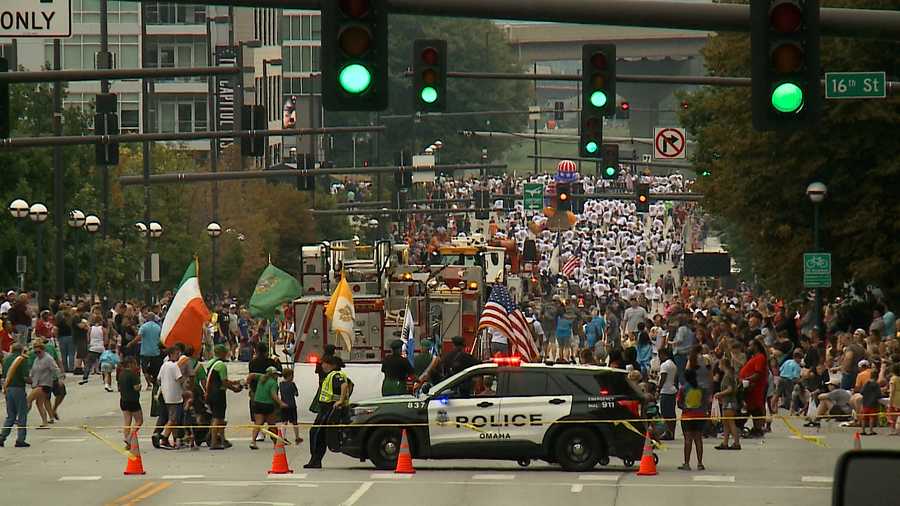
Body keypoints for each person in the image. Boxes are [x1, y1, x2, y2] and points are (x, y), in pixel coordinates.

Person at [304, 354, 351, 469]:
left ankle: (315, 460)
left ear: (332, 365)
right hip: (325, 409)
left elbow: (344, 386)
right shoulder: (331, 375)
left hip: (329, 409)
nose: (323, 366)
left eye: (325, 363)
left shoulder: (335, 375)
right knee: (317, 434)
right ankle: (315, 459)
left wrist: (340, 400)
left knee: (317, 434)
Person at [205, 344, 242, 450]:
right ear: (221, 353)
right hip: (218, 394)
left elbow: (215, 379)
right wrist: (235, 389)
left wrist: (233, 382)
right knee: (218, 417)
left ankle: (221, 439)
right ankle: (214, 442)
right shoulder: (221, 365)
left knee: (219, 418)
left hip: (211, 392)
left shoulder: (210, 363)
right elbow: (224, 382)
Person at [248, 366, 287, 449]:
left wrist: (247, 384)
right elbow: (273, 395)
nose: (277, 376)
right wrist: (281, 403)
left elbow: (251, 375)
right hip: (268, 405)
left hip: (257, 403)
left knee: (258, 423)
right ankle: (276, 443)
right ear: (273, 375)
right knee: (272, 424)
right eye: (276, 374)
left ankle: (253, 441)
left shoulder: (261, 378)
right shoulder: (273, 383)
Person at [154, 347, 185, 449]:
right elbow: (180, 379)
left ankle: (174, 440)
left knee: (172, 418)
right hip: (175, 396)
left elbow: (158, 379)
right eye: (176, 354)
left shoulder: (164, 365)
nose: (178, 356)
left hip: (166, 395)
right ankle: (163, 435)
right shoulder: (174, 366)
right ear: (171, 354)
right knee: (173, 418)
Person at [1, 344, 30, 447]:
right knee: (22, 414)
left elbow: (4, 375)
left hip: (8, 388)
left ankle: (2, 436)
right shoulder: (21, 360)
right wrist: (33, 382)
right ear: (21, 350)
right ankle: (20, 439)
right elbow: (25, 376)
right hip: (18, 388)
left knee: (11, 415)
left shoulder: (6, 359)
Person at [677, 368, 706, 471]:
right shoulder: (702, 388)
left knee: (688, 440)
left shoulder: (683, 388)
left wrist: (686, 407)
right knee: (698, 439)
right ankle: (700, 463)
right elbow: (705, 402)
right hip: (700, 416)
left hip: (687, 416)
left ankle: (686, 463)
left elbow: (679, 403)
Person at [739, 339, 769, 437]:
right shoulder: (754, 357)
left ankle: (757, 428)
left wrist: (746, 379)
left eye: (750, 345)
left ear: (755, 346)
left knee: (755, 409)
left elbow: (758, 374)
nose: (748, 348)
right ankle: (753, 428)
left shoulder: (760, 358)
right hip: (750, 388)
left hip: (755, 388)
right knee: (751, 408)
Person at [28, 339, 60, 429]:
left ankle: (21, 418)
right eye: (35, 352)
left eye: (39, 351)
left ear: (43, 350)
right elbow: (34, 371)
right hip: (37, 384)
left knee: (29, 399)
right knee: (39, 403)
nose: (37, 353)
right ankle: (45, 421)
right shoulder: (36, 359)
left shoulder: (48, 358)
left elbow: (55, 369)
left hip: (45, 384)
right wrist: (31, 377)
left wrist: (59, 379)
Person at [714, 357, 741, 450]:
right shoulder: (730, 375)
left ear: (723, 365)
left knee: (731, 423)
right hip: (727, 402)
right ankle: (725, 442)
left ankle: (736, 442)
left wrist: (719, 394)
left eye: (719, 365)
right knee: (725, 423)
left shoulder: (727, 376)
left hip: (729, 402)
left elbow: (730, 389)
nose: (718, 367)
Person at [118, 356, 143, 448]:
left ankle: (127, 440)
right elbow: (136, 387)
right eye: (135, 364)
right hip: (133, 400)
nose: (136, 366)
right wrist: (140, 386)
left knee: (127, 421)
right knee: (139, 421)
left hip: (123, 399)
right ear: (130, 364)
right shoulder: (133, 374)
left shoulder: (121, 374)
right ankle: (129, 437)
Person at [137, 312, 163, 388]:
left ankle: (149, 383)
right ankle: (154, 381)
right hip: (155, 352)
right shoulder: (158, 327)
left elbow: (139, 337)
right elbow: (161, 338)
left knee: (145, 369)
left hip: (145, 352)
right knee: (155, 369)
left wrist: (131, 343)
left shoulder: (144, 327)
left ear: (147, 318)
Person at [79, 315, 107, 385]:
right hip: (101, 348)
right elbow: (105, 340)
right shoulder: (103, 329)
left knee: (88, 364)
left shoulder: (90, 329)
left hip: (93, 348)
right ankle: (105, 379)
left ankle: (85, 378)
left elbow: (88, 339)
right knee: (103, 365)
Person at [658, 347, 677, 440]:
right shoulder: (673, 364)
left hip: (665, 391)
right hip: (672, 390)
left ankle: (667, 432)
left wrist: (658, 389)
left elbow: (663, 378)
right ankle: (672, 431)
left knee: (665, 412)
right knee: (672, 413)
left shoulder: (664, 365)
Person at [279, 368, 303, 445]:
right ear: (289, 376)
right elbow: (296, 394)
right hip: (292, 405)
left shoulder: (281, 384)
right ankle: (297, 437)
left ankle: (282, 437)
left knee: (284, 422)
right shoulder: (292, 384)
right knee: (294, 422)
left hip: (283, 404)